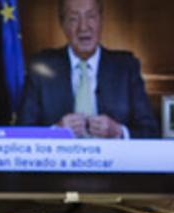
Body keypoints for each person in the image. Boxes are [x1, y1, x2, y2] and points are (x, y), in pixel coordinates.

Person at [16, 0, 158, 139]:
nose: (83, 27)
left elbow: (151, 131)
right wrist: (56, 132)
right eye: (73, 19)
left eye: (91, 16)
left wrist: (119, 132)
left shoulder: (126, 68)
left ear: (101, 20)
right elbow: (21, 132)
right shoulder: (41, 68)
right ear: (62, 24)